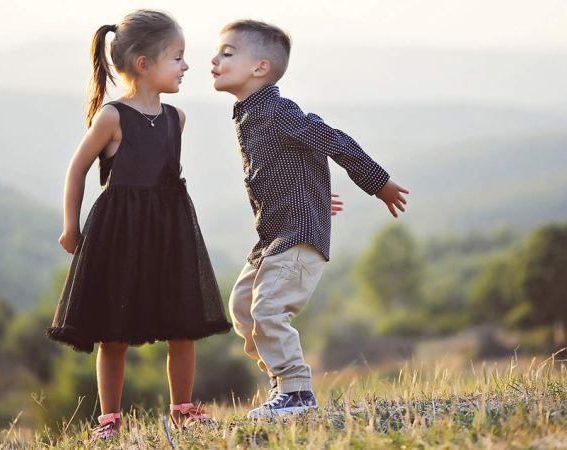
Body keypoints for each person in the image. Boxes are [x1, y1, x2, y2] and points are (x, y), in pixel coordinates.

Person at [211, 19, 409, 418]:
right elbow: (287, 165)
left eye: (227, 53)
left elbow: (332, 139)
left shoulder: (278, 111)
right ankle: (282, 384)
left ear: (260, 68)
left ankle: (297, 391)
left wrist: (378, 182)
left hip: (298, 236)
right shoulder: (248, 113)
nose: (214, 60)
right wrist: (313, 195)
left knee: (268, 310)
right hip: (273, 235)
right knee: (244, 308)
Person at [46, 9, 231, 438]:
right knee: (114, 332)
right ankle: (109, 419)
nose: (186, 66)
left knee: (182, 323)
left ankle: (183, 409)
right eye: (178, 57)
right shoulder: (112, 117)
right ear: (144, 64)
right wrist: (70, 227)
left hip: (169, 233)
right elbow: (77, 169)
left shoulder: (175, 119)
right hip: (120, 234)